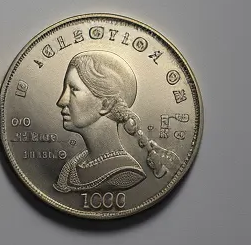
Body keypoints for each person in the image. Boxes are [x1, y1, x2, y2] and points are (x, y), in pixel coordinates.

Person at [54, 50, 180, 193]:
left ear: (105, 105)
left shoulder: (126, 174)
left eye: (73, 89)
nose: (61, 101)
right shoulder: (71, 167)